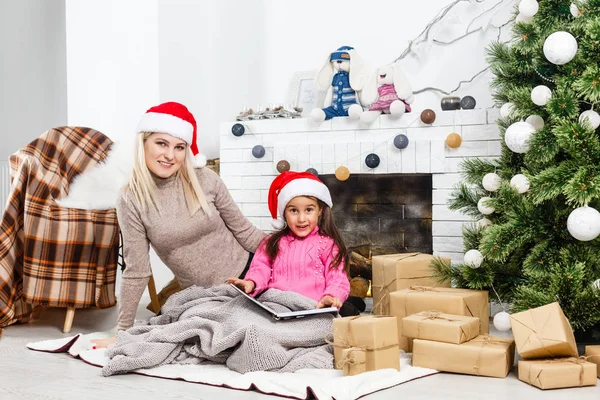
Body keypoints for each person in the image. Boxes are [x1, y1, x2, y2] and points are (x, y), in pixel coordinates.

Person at [102, 102, 266, 341]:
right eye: (161, 143)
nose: (170, 155)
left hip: (252, 275)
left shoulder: (205, 179)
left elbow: (246, 233)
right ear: (144, 143)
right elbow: (137, 270)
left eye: (179, 147)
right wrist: (123, 332)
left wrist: (295, 251)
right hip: (205, 298)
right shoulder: (131, 198)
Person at [228, 171, 351, 310]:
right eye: (294, 211)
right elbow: (260, 269)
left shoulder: (328, 245)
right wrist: (251, 283)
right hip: (275, 305)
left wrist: (331, 297)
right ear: (284, 213)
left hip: (312, 307)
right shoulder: (271, 242)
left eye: (309, 210)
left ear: (320, 210)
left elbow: (338, 278)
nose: (301, 219)